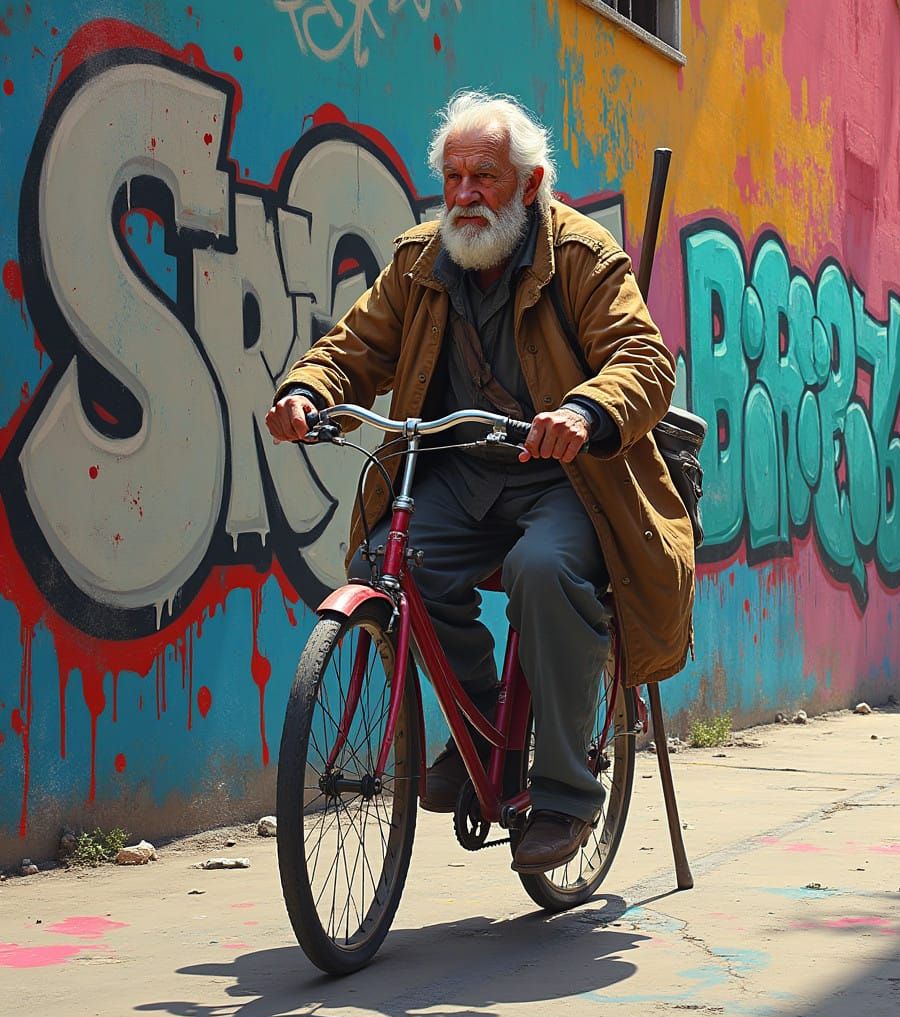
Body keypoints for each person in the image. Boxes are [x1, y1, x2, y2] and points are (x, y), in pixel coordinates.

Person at [266, 90, 695, 875]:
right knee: (380, 568)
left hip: (568, 478)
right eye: (453, 177)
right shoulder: (420, 262)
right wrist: (307, 392)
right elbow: (353, 346)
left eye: (485, 178)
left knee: (545, 569)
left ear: (528, 186)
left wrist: (585, 410)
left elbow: (643, 359)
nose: (465, 195)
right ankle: (482, 720)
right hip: (458, 474)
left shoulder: (582, 257)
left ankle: (565, 792)